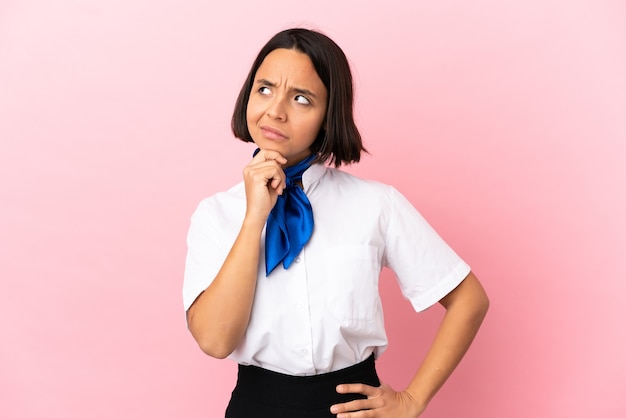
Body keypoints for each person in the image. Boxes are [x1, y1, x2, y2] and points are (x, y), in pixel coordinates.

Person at [183, 28, 489, 418]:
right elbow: (214, 340)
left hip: (350, 409)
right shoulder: (216, 214)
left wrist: (412, 400)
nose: (276, 110)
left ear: (329, 116)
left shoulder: (375, 204)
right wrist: (254, 217)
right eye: (264, 89)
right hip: (256, 407)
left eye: (301, 98)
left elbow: (469, 299)